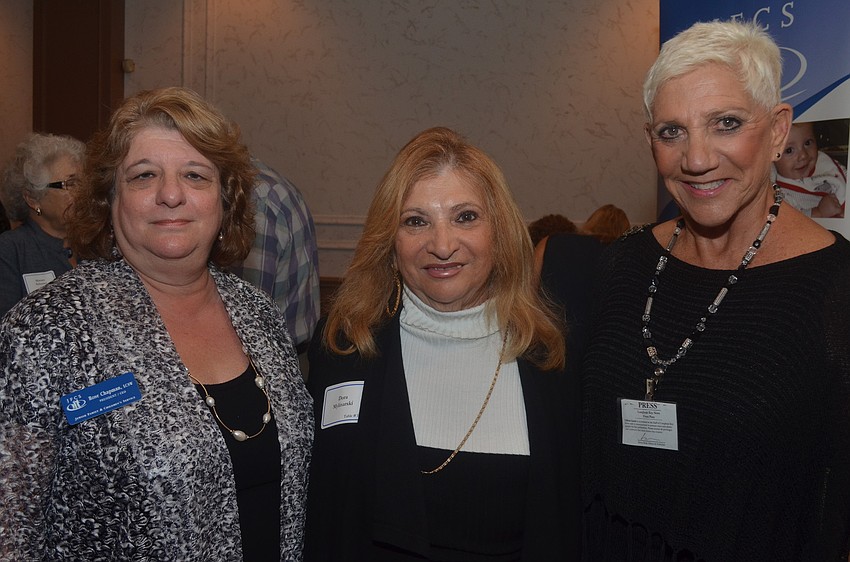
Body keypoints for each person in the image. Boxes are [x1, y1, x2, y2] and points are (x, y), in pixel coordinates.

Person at [0, 87, 313, 560]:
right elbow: (11, 530)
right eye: (144, 176)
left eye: (195, 174)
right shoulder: (45, 330)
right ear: (109, 201)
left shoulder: (257, 312)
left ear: (225, 201)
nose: (171, 194)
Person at [577, 20, 850, 561]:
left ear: (777, 131)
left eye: (725, 123)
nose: (696, 159)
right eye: (671, 131)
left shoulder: (837, 291)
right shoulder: (623, 266)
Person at [304, 126, 579, 560]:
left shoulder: (551, 359)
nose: (443, 245)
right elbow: (322, 517)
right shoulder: (343, 349)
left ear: (500, 233)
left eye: (465, 217)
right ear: (390, 244)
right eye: (416, 221)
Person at [230, 157, 320, 353]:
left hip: (273, 358)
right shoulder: (264, 181)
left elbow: (246, 321)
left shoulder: (252, 196)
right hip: (284, 351)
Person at [0, 132, 85, 316]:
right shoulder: (10, 251)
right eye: (70, 184)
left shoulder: (95, 244)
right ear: (32, 199)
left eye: (82, 183)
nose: (82, 193)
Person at [774, 121, 846, 218]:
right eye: (789, 150)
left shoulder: (824, 164)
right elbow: (789, 222)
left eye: (807, 143)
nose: (803, 155)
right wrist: (818, 212)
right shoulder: (777, 192)